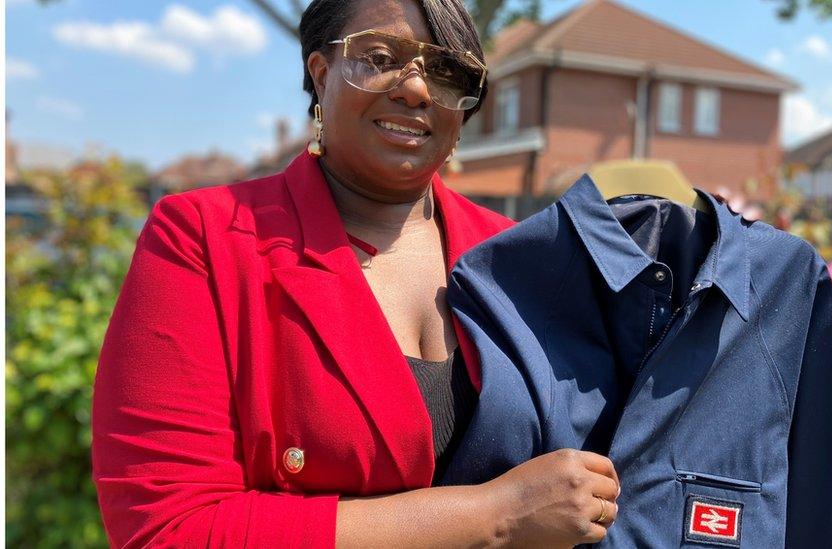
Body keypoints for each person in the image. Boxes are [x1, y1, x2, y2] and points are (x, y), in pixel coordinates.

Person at [91, 0, 623, 547]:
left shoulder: (519, 255)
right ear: (321, 76)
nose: (415, 90)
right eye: (379, 56)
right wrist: (496, 515)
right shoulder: (206, 238)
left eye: (445, 70)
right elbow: (164, 527)